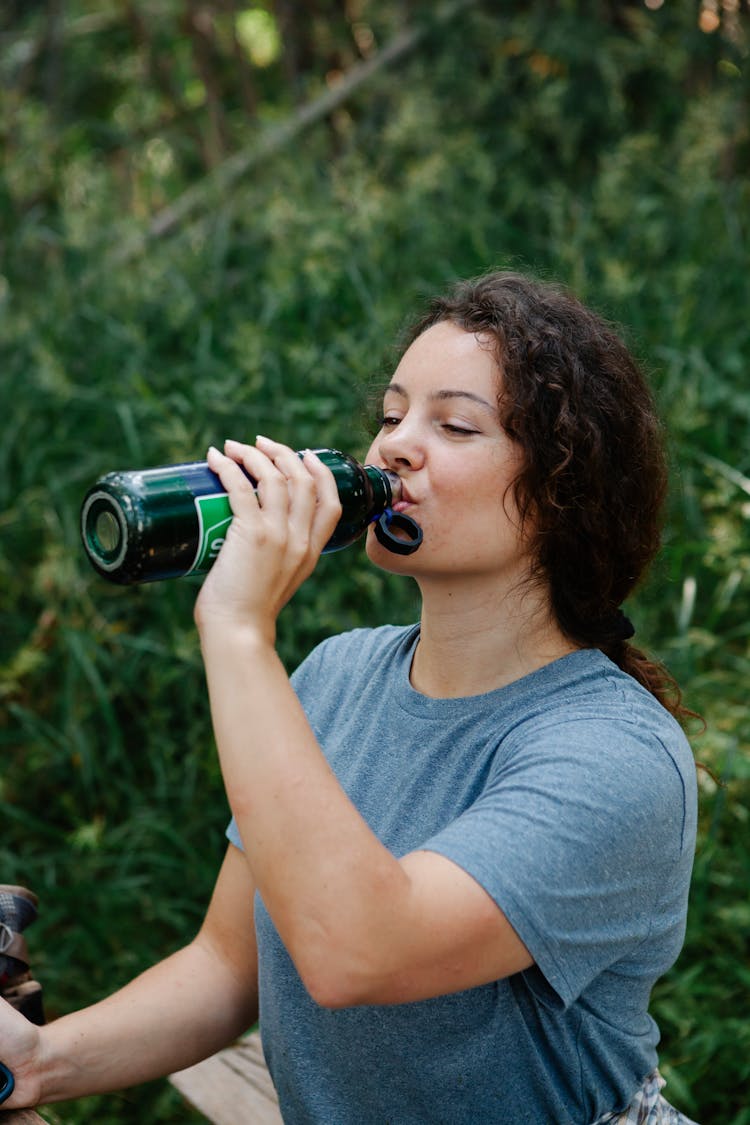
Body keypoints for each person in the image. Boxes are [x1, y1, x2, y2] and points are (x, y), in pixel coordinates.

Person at [0, 271, 699, 1124]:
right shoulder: (337, 675)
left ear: (562, 489)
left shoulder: (616, 755)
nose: (395, 446)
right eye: (392, 414)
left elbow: (357, 951)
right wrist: (37, 1062)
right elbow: (227, 965)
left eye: (453, 424)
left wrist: (238, 627)